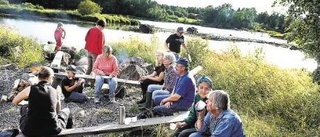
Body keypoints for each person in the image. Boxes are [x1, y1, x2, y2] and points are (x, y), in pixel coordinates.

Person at [12, 66, 72, 137]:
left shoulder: (30, 88)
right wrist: (57, 97)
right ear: (49, 78)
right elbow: (58, 111)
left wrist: (29, 104)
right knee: (67, 111)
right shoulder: (54, 91)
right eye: (52, 77)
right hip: (52, 129)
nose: (52, 79)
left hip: (29, 130)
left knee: (24, 108)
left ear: (39, 77)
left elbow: (15, 102)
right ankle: (68, 133)